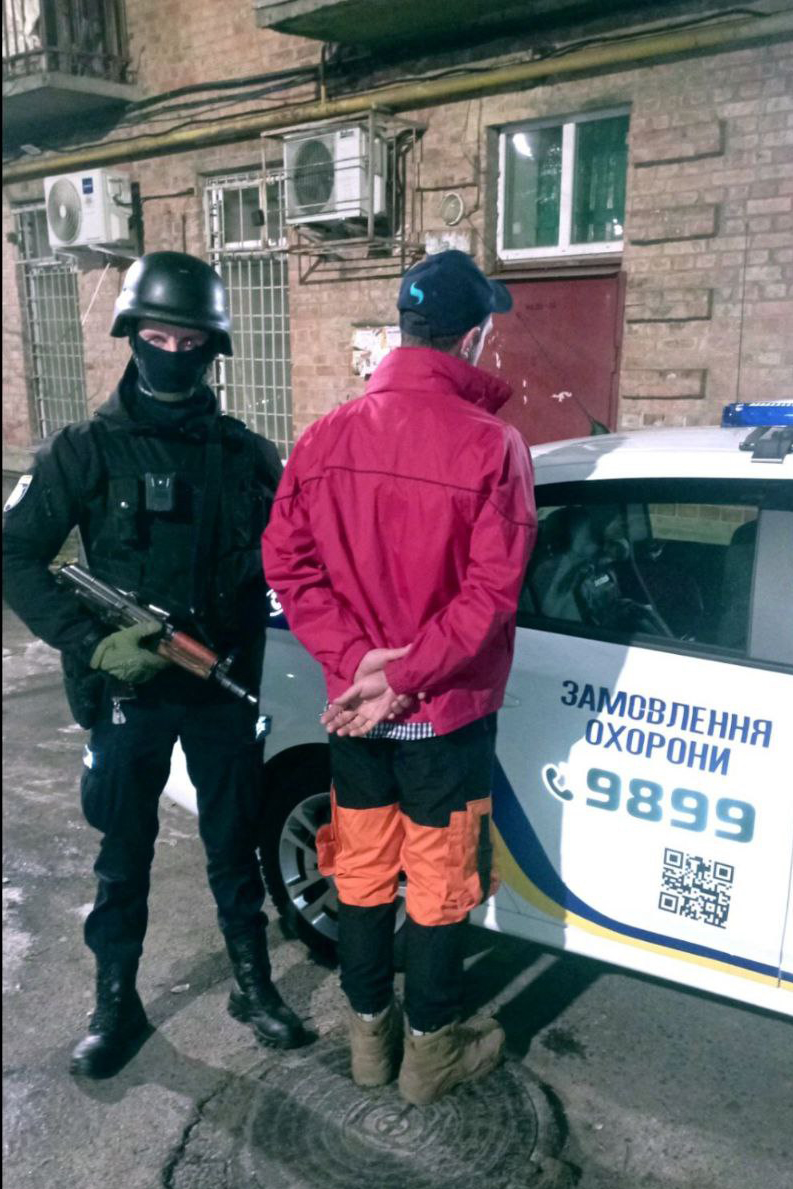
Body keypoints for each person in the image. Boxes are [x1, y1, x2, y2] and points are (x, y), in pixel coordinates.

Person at [3, 251, 306, 1078]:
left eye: (189, 339)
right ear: (131, 333)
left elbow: (296, 559)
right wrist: (91, 641)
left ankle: (252, 983)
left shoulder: (247, 456)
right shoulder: (84, 451)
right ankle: (116, 1000)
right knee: (123, 849)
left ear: (214, 346)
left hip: (221, 685)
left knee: (233, 841)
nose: (172, 352)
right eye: (157, 335)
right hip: (127, 690)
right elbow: (15, 553)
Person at [262, 249, 536, 1106]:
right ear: (473, 335)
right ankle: (429, 1053)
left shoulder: (324, 435)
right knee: (440, 882)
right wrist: (409, 673)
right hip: (442, 719)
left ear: (404, 327)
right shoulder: (494, 445)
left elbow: (286, 561)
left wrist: (355, 664)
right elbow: (490, 595)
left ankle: (367, 1044)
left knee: (362, 874)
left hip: (357, 715)